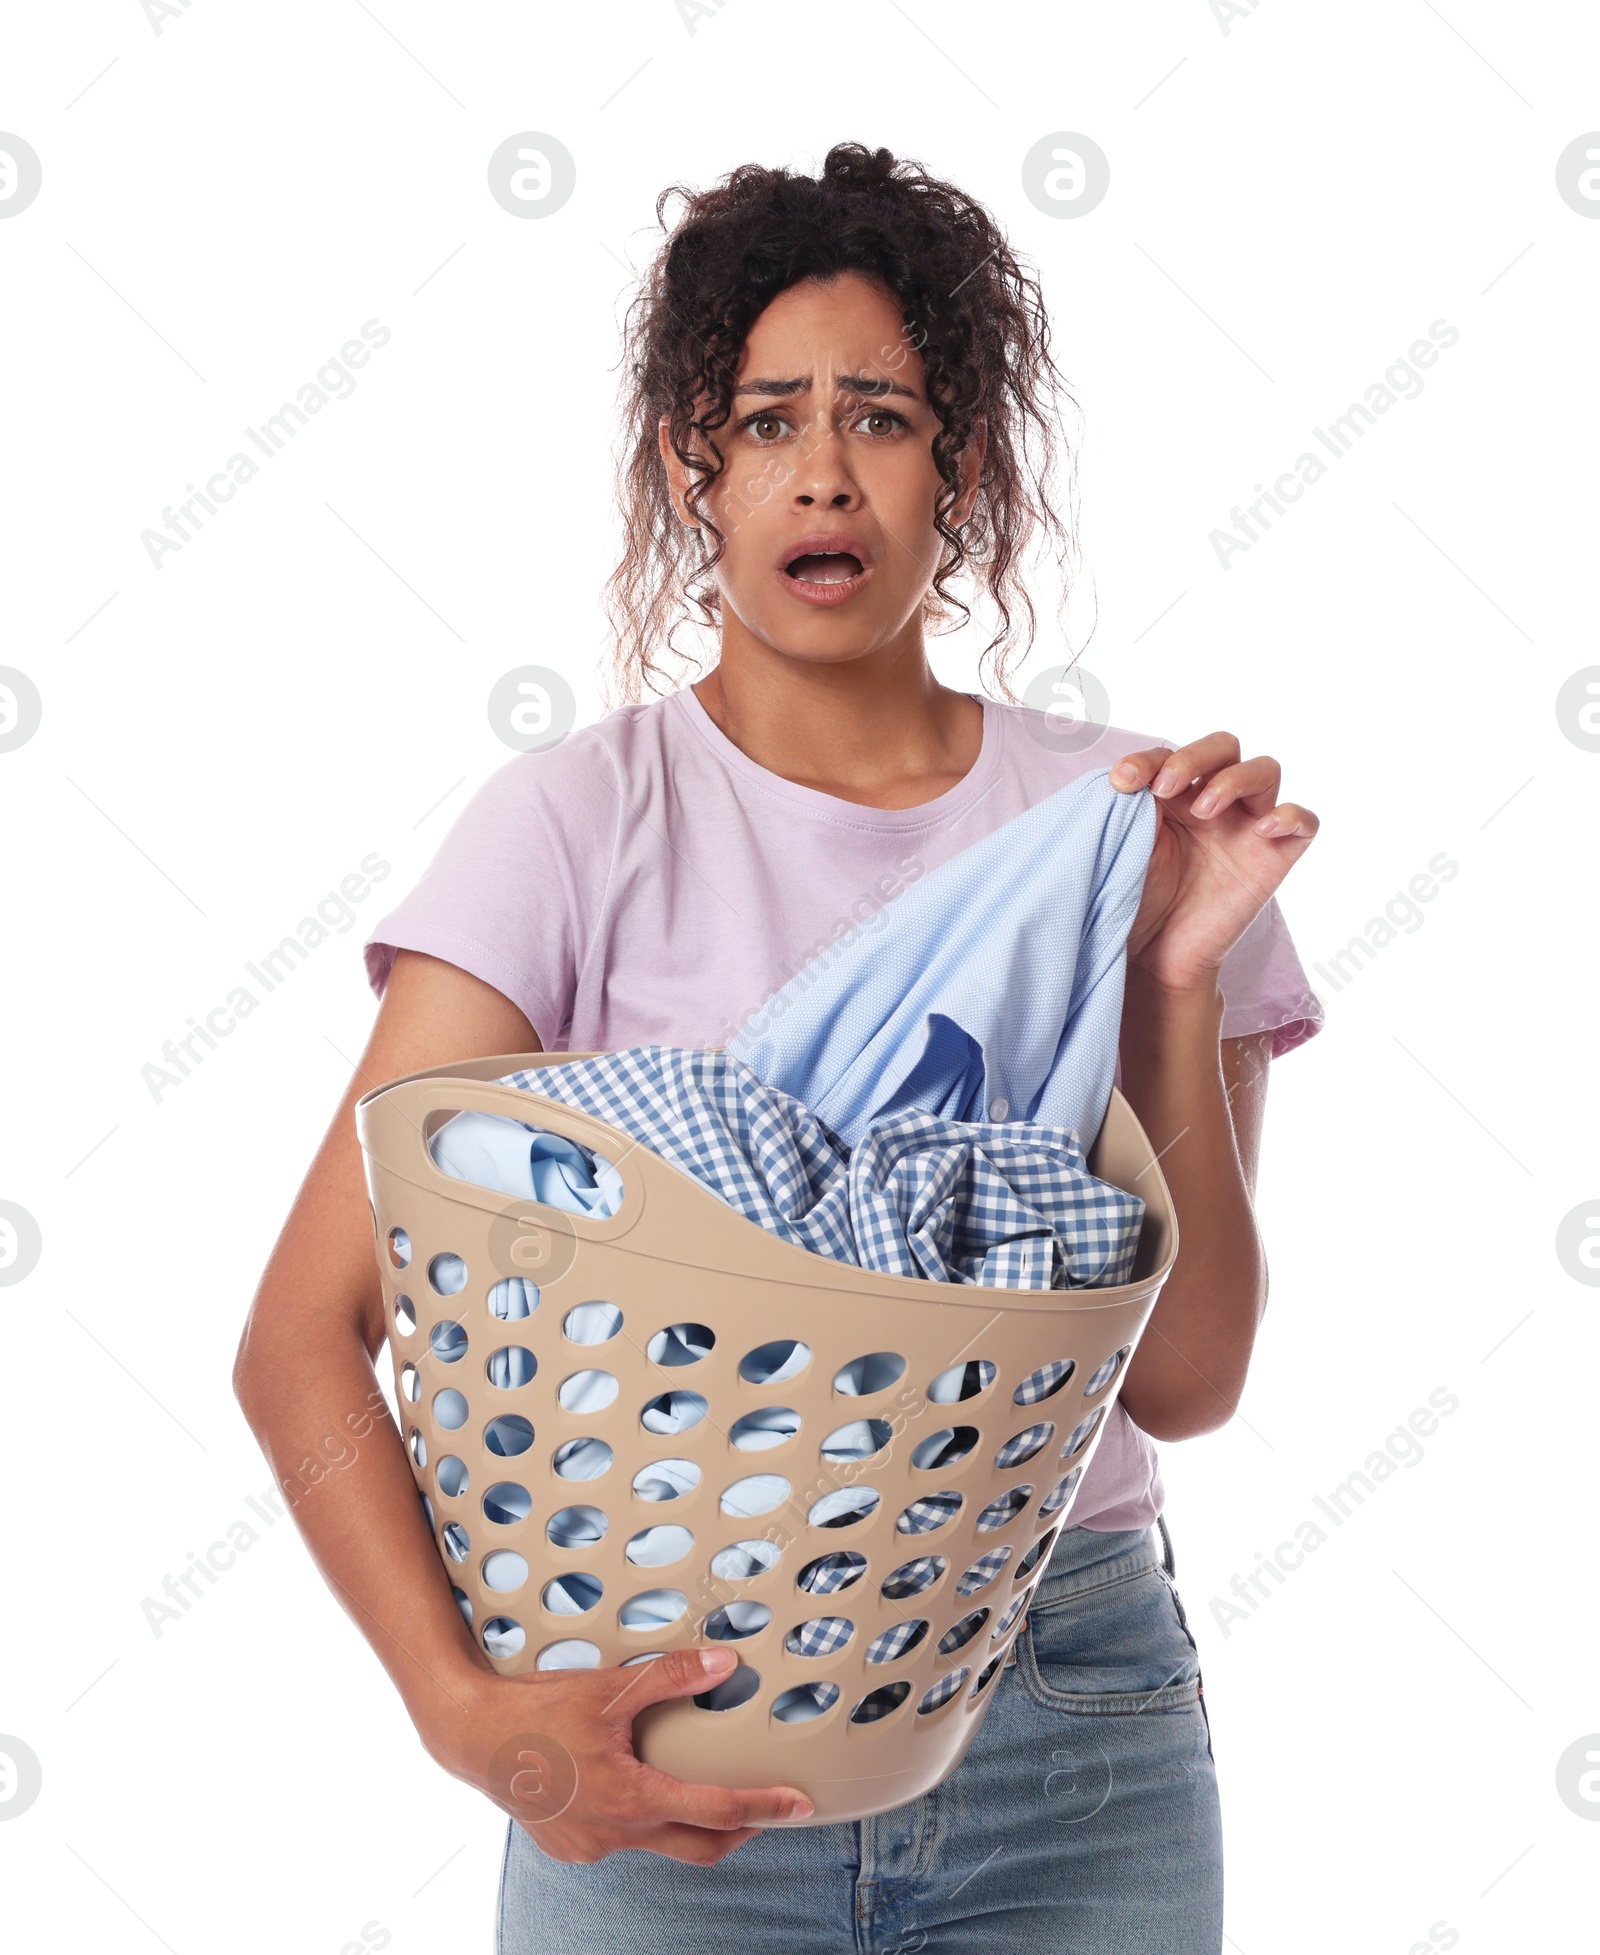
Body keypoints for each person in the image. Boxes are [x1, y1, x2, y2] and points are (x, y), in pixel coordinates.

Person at [234, 142, 1323, 1953]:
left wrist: (1180, 984)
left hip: (1067, 1722)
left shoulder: (1118, 832)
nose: (824, 470)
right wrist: (467, 1717)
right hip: (656, 1718)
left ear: (956, 467)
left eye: (883, 418)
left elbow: (1186, 1381)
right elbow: (300, 1337)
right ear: (695, 466)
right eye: (766, 421)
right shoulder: (575, 826)